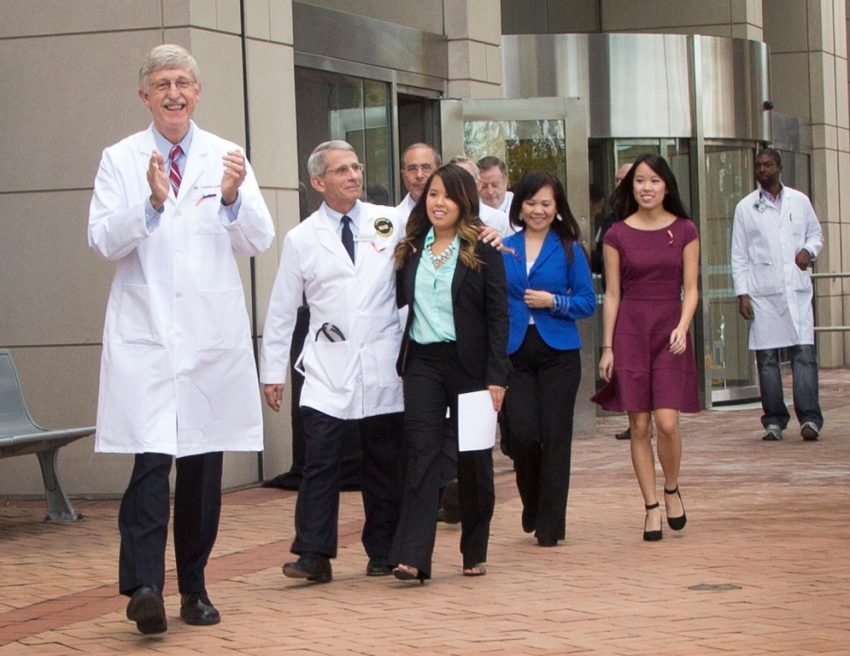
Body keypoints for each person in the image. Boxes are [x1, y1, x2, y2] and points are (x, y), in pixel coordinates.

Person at [88, 44, 275, 634]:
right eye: (162, 83)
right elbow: (102, 240)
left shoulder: (228, 157)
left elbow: (259, 239)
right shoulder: (121, 159)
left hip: (207, 341)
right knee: (150, 464)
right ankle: (144, 587)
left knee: (200, 472)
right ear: (144, 95)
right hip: (146, 337)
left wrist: (229, 197)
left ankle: (193, 588)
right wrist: (149, 202)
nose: (174, 92)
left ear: (197, 92)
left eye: (183, 83)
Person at [261, 140, 404, 583]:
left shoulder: (390, 221)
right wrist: (272, 374)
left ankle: (383, 549)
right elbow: (283, 309)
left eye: (357, 167)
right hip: (328, 363)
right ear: (318, 182)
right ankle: (313, 553)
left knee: (382, 461)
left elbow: (442, 232)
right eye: (342, 170)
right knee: (320, 460)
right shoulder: (302, 238)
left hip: (381, 360)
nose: (354, 176)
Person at [389, 164, 510, 582]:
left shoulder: (484, 249)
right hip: (423, 362)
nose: (439, 203)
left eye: (448, 196)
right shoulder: (411, 247)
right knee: (421, 456)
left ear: (464, 203)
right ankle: (413, 557)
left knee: (473, 460)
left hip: (473, 369)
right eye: (433, 194)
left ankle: (474, 547)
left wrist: (497, 376)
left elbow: (499, 316)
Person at [591, 154, 700, 542]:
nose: (647, 187)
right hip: (630, 331)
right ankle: (651, 506)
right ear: (630, 187)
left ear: (666, 186)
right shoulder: (617, 234)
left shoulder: (686, 229)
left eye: (654, 180)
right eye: (639, 181)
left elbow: (692, 288)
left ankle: (672, 488)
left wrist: (683, 327)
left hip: (670, 330)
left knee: (667, 422)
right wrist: (608, 347)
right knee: (639, 424)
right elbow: (613, 294)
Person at [501, 172, 596, 547]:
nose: (537, 210)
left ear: (557, 208)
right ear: (519, 206)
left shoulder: (569, 247)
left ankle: (551, 524)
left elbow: (588, 301)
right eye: (530, 203)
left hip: (559, 352)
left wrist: (553, 301)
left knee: (556, 437)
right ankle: (533, 501)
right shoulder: (503, 246)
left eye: (546, 204)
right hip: (515, 351)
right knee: (522, 435)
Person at [731, 148, 824, 442]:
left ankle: (809, 419)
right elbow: (739, 255)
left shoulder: (799, 201)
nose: (763, 169)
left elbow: (816, 235)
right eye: (758, 165)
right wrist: (742, 293)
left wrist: (808, 251)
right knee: (767, 359)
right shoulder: (746, 208)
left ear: (780, 167)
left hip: (795, 291)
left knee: (804, 355)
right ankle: (773, 420)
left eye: (768, 164)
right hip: (763, 292)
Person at [591, 162, 633, 441]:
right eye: (617, 180)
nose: (619, 185)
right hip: (617, 300)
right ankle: (636, 415)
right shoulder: (611, 221)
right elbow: (600, 261)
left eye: (625, 180)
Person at [449, 156, 512, 236]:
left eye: (495, 185)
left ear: (478, 184)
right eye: (485, 186)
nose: (490, 192)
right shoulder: (439, 214)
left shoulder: (504, 221)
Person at [397, 143, 442, 217]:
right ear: (403, 175)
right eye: (412, 168)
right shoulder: (394, 220)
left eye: (426, 167)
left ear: (439, 172)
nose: (419, 175)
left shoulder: (455, 217)